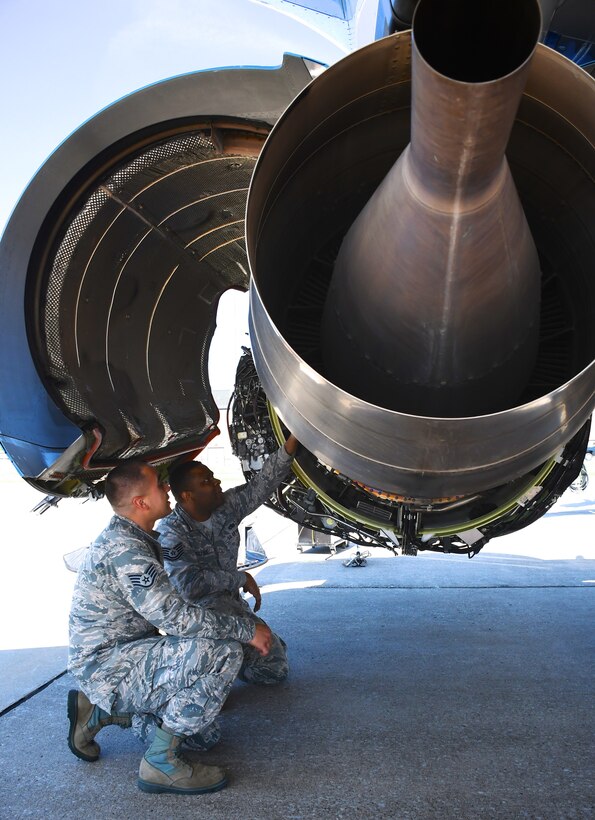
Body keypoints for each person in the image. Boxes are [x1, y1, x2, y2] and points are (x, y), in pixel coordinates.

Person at [67, 459, 272, 795]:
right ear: (141, 502)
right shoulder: (126, 551)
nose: (167, 489)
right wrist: (246, 630)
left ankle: (100, 713)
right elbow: (176, 618)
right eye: (159, 485)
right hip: (109, 666)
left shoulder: (135, 536)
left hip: (126, 655)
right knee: (222, 653)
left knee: (204, 736)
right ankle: (160, 762)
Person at [158, 435, 298, 692]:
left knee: (274, 668)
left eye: (212, 477)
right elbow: (190, 586)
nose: (217, 483)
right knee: (227, 658)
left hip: (230, 606)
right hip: (197, 616)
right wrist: (240, 578)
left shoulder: (225, 507)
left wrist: (292, 443)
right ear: (188, 496)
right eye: (206, 482)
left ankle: (232, 660)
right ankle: (204, 664)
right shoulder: (171, 532)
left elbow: (262, 485)